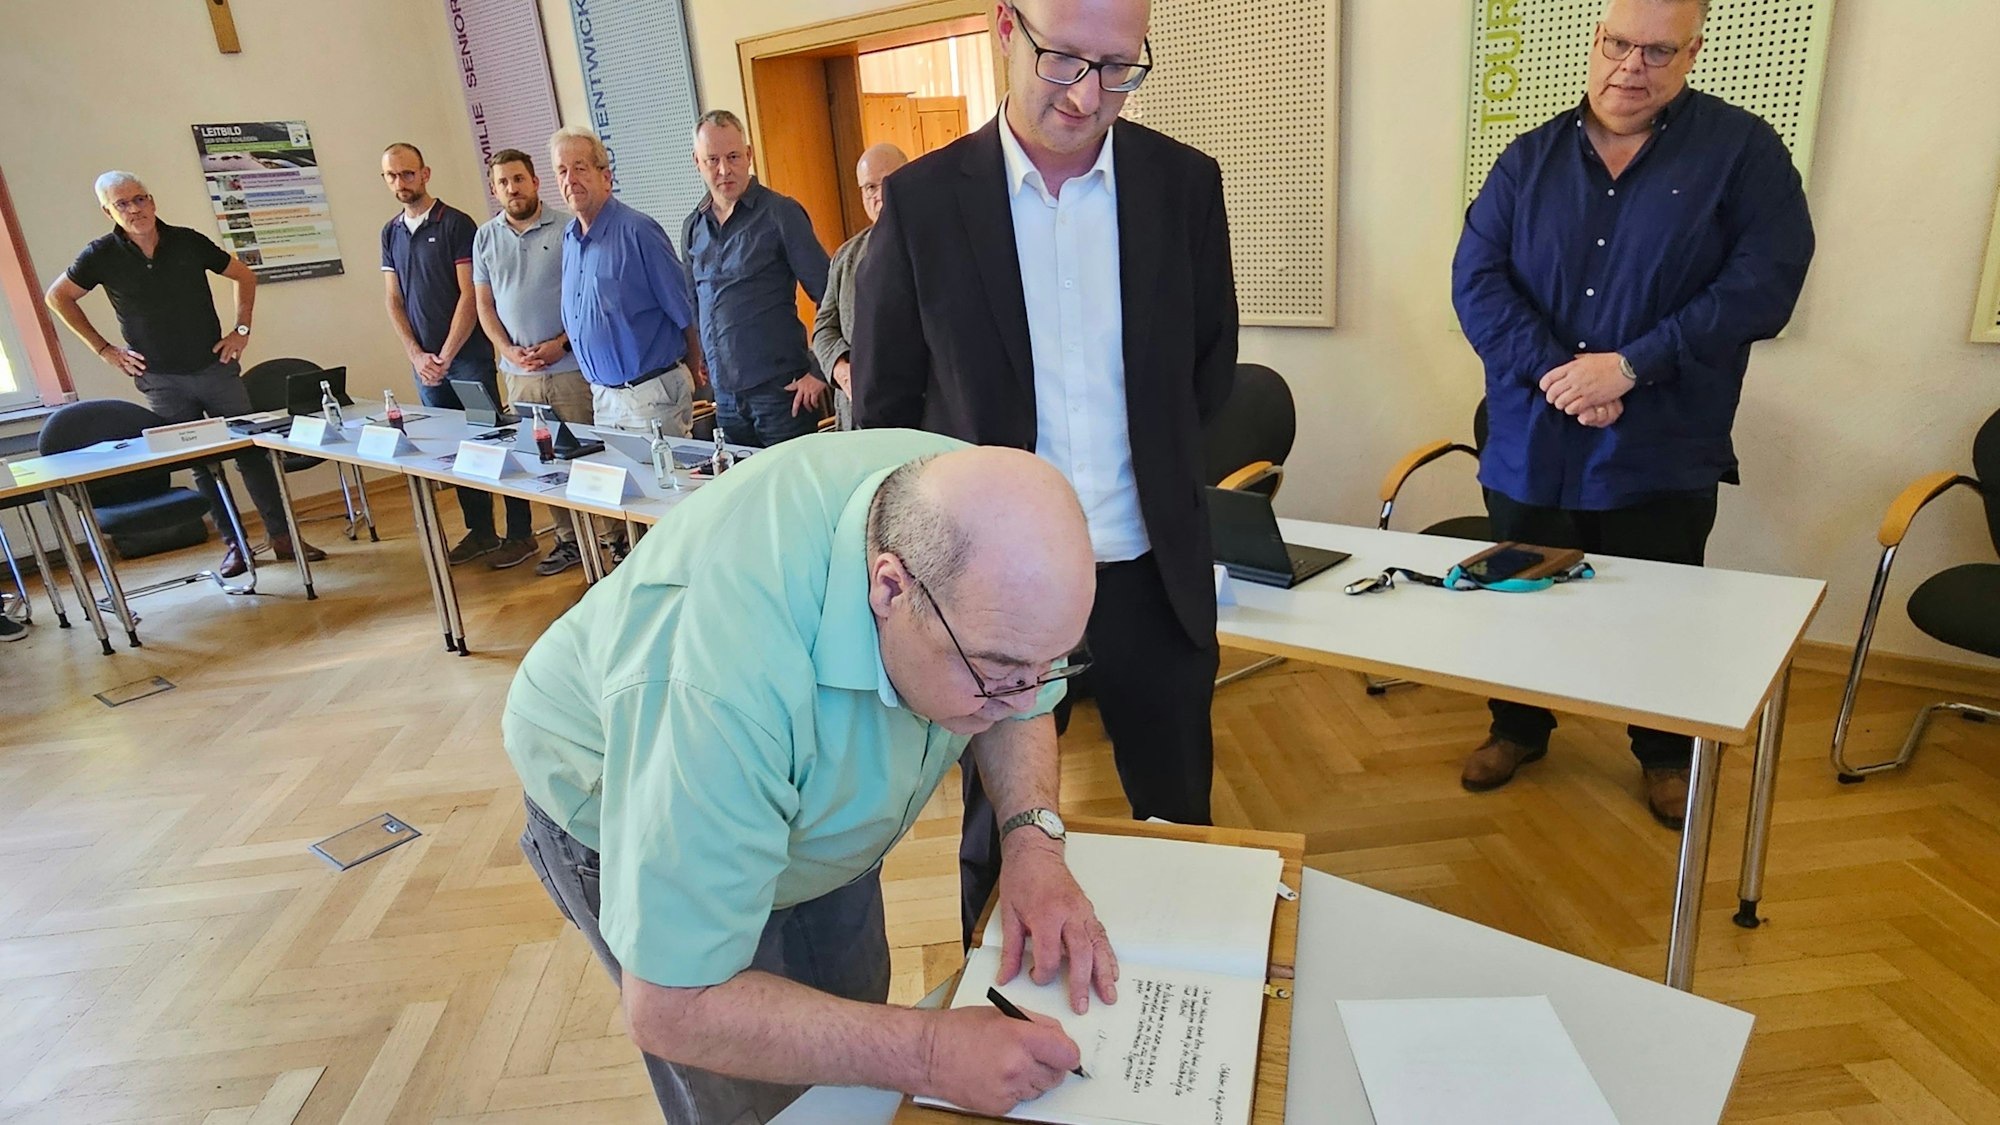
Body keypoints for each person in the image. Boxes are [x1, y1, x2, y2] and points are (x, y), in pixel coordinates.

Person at [505, 431, 1116, 1123]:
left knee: (851, 1063)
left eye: (1049, 667)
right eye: (993, 673)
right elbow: (676, 1003)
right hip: (637, 783)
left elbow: (1021, 688)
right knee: (763, 1107)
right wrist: (930, 1054)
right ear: (891, 587)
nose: (1022, 700)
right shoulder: (723, 684)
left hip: (809, 801)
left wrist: (1032, 842)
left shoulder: (979, 512)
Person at [851, 0, 1238, 941]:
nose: (1089, 94)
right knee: (1000, 828)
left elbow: (1209, 368)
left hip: (1150, 568)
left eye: (1118, 67)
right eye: (1064, 60)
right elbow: (886, 414)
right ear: (1003, 29)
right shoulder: (925, 204)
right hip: (990, 593)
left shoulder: (1183, 186)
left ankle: (1188, 996)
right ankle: (1001, 1007)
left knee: (1179, 812)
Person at [1450, 0, 1814, 827]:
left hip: (1661, 444)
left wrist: (1628, 365)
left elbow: (1765, 283)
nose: (1631, 66)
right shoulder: (1528, 159)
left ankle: (1661, 753)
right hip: (1533, 437)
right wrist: (1561, 373)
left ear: (1691, 53)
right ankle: (1518, 728)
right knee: (1519, 595)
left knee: (1659, 617)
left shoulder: (1744, 154)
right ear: (1595, 42)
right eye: (1618, 44)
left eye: (1657, 50)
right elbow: (1477, 280)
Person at [45, 171, 324, 578]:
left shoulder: (188, 241)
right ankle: (236, 546)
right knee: (201, 462)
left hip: (215, 367)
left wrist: (241, 330)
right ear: (108, 210)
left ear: (153, 201)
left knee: (252, 452)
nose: (135, 209)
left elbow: (245, 275)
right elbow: (58, 297)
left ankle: (283, 537)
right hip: (160, 378)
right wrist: (105, 351)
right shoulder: (99, 254)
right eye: (122, 204)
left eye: (140, 199)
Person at [379, 142, 537, 569]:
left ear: (425, 173)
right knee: (454, 451)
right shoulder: (390, 232)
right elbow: (393, 300)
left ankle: (521, 533)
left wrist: (446, 355)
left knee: (494, 442)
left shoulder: (456, 225)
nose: (401, 183)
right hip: (426, 367)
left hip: (465, 360)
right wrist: (416, 355)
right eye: (392, 176)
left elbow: (471, 296)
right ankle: (481, 531)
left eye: (408, 174)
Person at [473, 148, 592, 578]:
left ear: (535, 181)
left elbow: (583, 297)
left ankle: (611, 541)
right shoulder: (484, 237)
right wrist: (506, 350)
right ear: (494, 189)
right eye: (503, 182)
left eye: (518, 179)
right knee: (547, 463)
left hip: (570, 371)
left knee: (588, 458)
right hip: (520, 378)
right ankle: (568, 541)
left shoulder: (567, 227)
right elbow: (484, 305)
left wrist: (562, 344)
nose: (512, 188)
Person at [682, 110, 832, 447]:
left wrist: (820, 371)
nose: (724, 170)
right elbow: (694, 300)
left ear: (748, 155)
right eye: (712, 160)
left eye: (733, 157)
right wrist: (702, 360)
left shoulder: (781, 213)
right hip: (727, 400)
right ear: (697, 162)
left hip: (783, 394)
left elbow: (831, 295)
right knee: (747, 496)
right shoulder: (693, 226)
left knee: (791, 496)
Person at [552, 126, 704, 439]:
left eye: (580, 169)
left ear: (606, 177)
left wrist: (690, 374)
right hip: (603, 399)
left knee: (667, 487)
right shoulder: (569, 239)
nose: (570, 180)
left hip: (651, 396)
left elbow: (686, 311)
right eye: (562, 171)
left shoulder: (638, 232)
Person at [812, 143, 907, 431]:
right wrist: (842, 370)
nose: (879, 196)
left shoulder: (937, 248)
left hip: (915, 419)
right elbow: (823, 327)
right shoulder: (846, 256)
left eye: (888, 184)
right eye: (869, 188)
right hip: (856, 419)